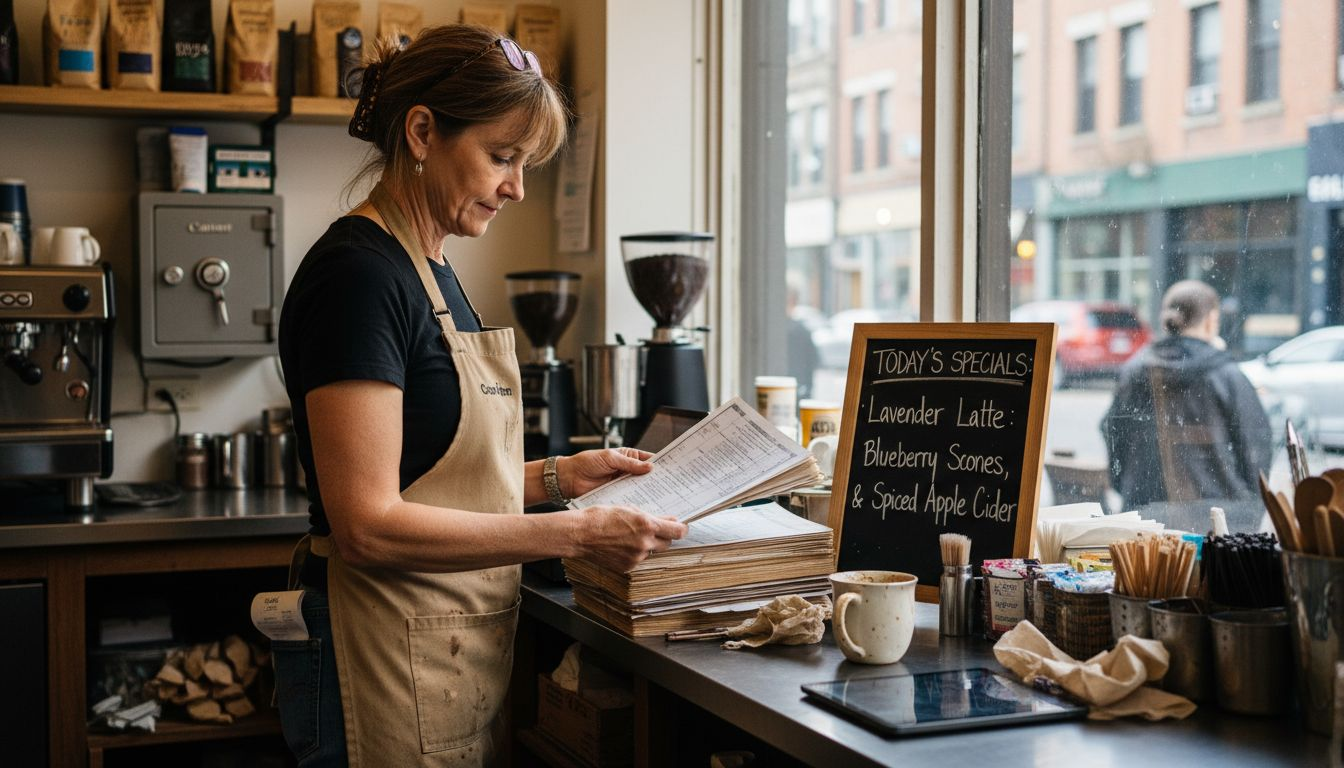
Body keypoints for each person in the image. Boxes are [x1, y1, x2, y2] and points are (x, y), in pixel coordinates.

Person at [275, 25, 687, 766]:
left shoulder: (431, 268)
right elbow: (368, 523)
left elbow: (434, 480)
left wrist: (561, 476)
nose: (516, 187)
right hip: (374, 656)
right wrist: (579, 535)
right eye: (501, 157)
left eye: (525, 163)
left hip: (441, 656)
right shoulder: (358, 278)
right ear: (423, 132)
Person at [1101, 280, 1272, 509]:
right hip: (1216, 515)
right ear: (1211, 320)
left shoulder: (1134, 370)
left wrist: (1127, 487)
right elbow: (1256, 443)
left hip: (1144, 512)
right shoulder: (1225, 374)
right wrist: (1250, 504)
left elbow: (1112, 429)